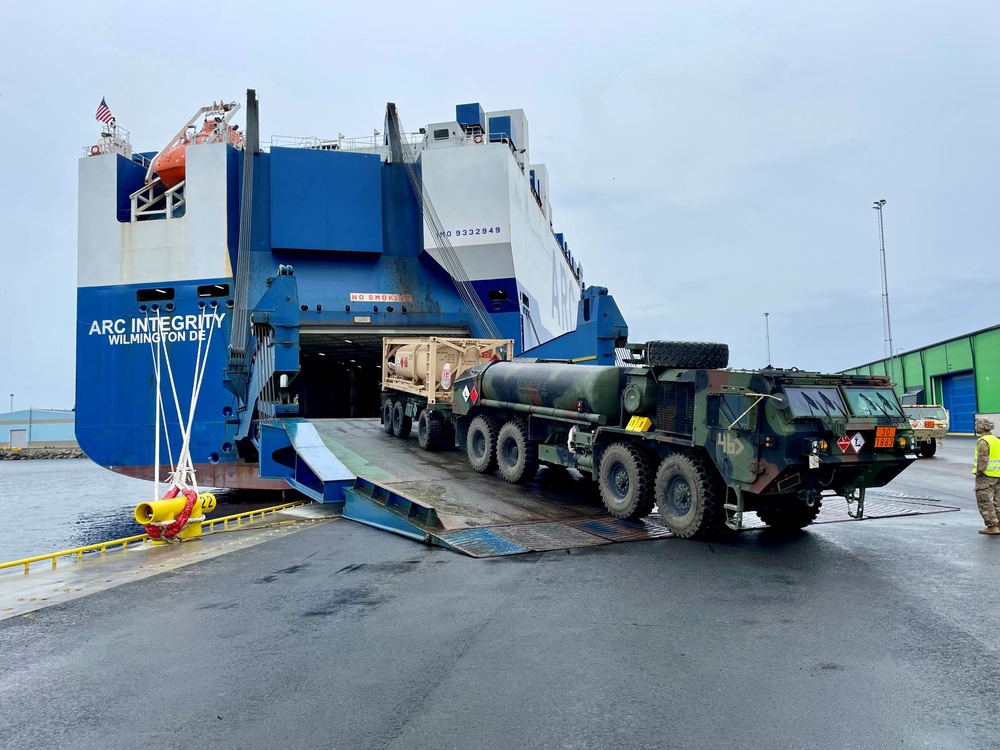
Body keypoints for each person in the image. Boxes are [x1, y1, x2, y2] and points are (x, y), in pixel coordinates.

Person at [973, 417, 1000, 535]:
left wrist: (979, 472)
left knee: (984, 500)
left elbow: (983, 459)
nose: (975, 427)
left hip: (986, 475)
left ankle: (992, 525)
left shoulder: (983, 441)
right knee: (997, 500)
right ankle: (998, 524)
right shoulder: (996, 440)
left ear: (982, 427)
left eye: (977, 425)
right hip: (997, 474)